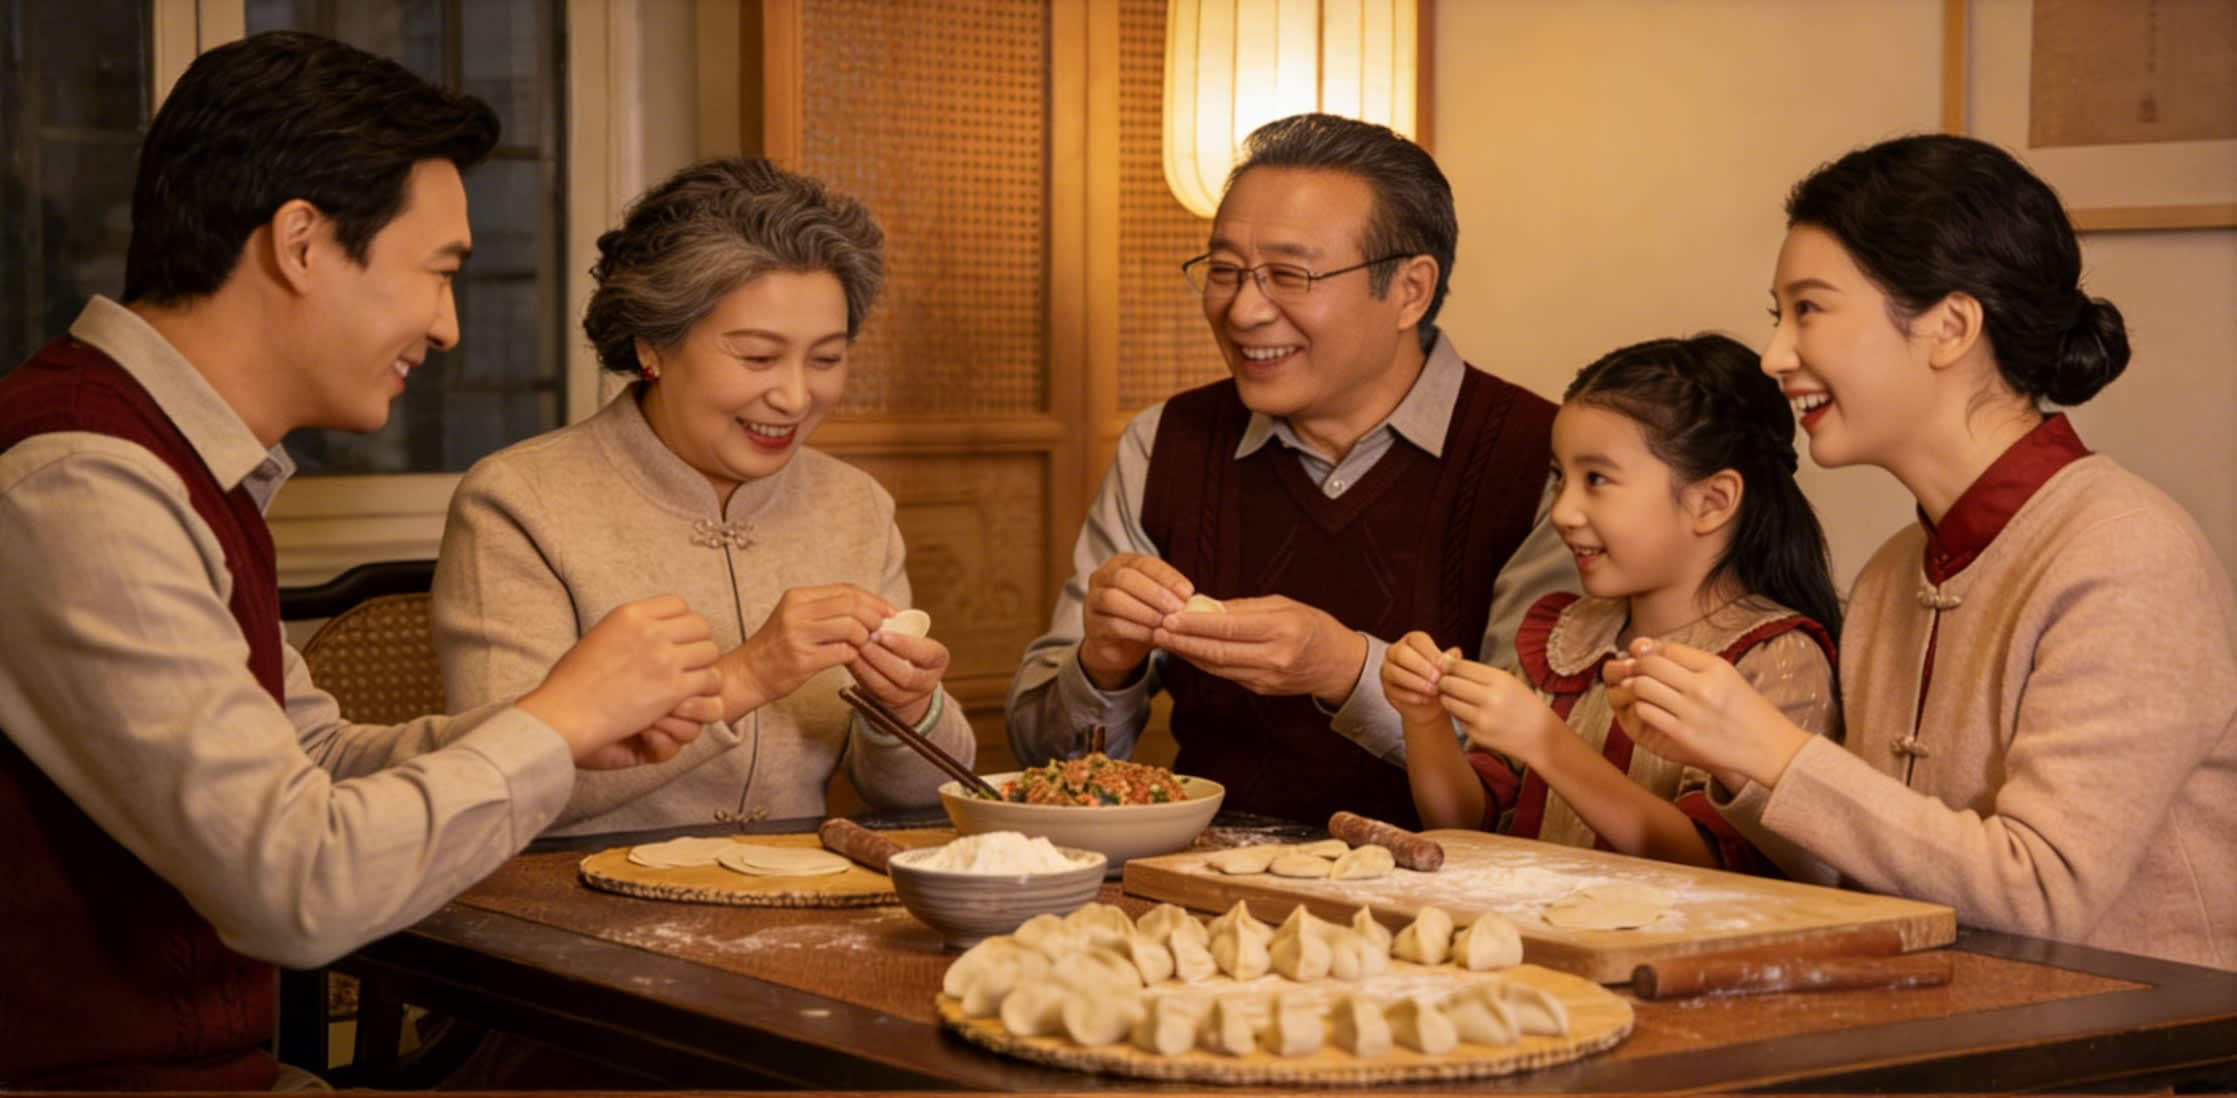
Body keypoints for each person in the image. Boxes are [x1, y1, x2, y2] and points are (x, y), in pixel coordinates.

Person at [0, 32, 723, 1090]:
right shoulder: (80, 482)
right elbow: (293, 884)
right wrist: (549, 723)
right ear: (300, 243)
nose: (449, 328)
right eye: (436, 273)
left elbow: (312, 766)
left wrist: (562, 736)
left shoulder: (183, 462)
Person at [1607, 134, 2237, 968]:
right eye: (1777, 314)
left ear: (1948, 326)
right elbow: (1874, 870)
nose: (1774, 356)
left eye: (1809, 308)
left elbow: (2042, 893)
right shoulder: (1894, 570)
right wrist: (1734, 762)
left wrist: (1774, 750)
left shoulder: (2125, 552)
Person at [1007, 113, 1574, 828]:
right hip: (1204, 890)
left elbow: (1540, 764)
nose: (1243, 310)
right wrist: (1103, 663)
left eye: (1288, 275)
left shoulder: (1543, 460)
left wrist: (1347, 671)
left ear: (1409, 290)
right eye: (1223, 272)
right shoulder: (1165, 445)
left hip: (1451, 904)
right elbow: (1040, 759)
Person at [433, 157, 975, 833]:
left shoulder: (854, 505)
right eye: (756, 356)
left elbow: (921, 799)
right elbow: (505, 785)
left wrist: (910, 707)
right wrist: (745, 676)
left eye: (826, 358)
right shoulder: (520, 502)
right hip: (566, 912)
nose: (796, 395)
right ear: (653, 343)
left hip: (795, 905)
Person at [1382, 334, 1841, 877]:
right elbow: (1461, 824)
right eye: (1559, 478)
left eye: (1596, 479)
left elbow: (1722, 866)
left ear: (1712, 501)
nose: (1563, 511)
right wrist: (1425, 718)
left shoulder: (1774, 659)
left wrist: (1546, 743)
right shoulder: (1563, 635)